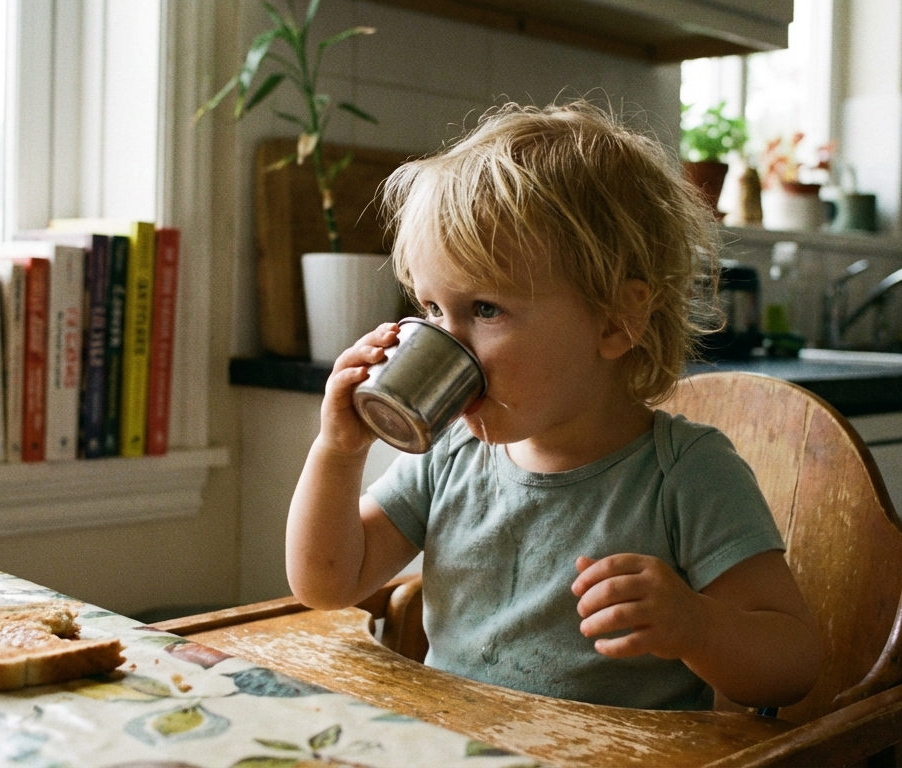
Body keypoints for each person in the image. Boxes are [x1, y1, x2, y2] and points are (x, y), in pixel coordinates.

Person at [285, 101, 822, 711]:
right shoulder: (451, 456)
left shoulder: (687, 475)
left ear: (617, 321)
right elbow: (325, 583)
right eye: (434, 310)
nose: (444, 342)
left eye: (485, 309)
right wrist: (338, 451)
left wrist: (696, 625)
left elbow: (793, 663)